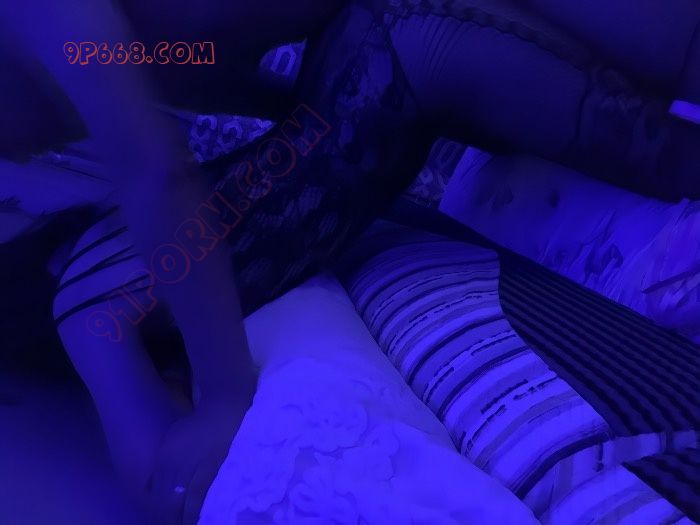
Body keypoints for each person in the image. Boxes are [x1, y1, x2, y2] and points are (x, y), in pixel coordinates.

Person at [2, 0, 699, 522]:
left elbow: (158, 169)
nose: (22, 155)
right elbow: (185, 78)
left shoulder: (89, 302)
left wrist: (224, 394)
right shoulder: (98, 282)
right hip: (393, 39)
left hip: (399, 40)